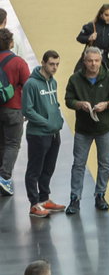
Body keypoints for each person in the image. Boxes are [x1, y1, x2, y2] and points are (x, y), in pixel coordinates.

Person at [63, 45, 109, 214]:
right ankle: (75, 198)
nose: (93, 64)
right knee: (78, 164)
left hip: (105, 127)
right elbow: (68, 100)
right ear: (84, 61)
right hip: (83, 129)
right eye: (90, 61)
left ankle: (100, 195)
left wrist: (108, 104)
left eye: (96, 61)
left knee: (105, 164)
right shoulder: (75, 79)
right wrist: (79, 104)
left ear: (101, 61)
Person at [20, 49, 64, 217]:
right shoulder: (31, 84)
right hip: (38, 134)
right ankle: (34, 204)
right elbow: (27, 110)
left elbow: (54, 105)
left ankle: (45, 199)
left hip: (54, 133)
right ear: (43, 62)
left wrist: (57, 121)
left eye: (57, 64)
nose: (54, 68)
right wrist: (46, 122)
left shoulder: (53, 82)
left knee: (48, 168)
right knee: (34, 170)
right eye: (51, 64)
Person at [0, 27, 29, 198]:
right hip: (13, 108)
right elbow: (28, 86)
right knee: (12, 144)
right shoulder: (18, 62)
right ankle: (4, 178)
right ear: (11, 43)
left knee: (1, 143)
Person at [75, 4, 109, 72]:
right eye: (106, 15)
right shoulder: (91, 26)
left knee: (105, 81)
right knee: (78, 76)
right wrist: (89, 38)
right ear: (101, 14)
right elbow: (79, 38)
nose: (108, 18)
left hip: (108, 59)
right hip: (91, 57)